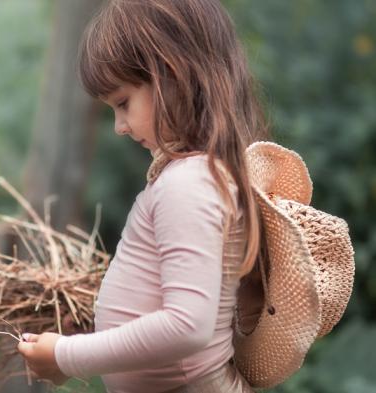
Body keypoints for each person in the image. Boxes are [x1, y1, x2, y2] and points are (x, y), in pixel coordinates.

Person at [17, 0, 269, 391]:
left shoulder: (189, 184)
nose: (119, 126)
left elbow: (188, 326)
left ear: (174, 74)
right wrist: (97, 330)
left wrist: (67, 356)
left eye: (123, 103)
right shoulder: (199, 176)